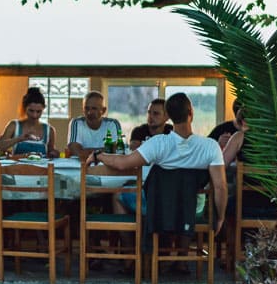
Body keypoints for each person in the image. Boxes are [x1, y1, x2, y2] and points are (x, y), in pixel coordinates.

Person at [97, 92, 227, 235]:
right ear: (191, 112)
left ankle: (133, 247)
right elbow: (220, 187)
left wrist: (98, 155)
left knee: (119, 196)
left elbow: (122, 163)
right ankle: (179, 247)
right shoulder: (211, 146)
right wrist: (220, 218)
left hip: (161, 210)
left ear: (168, 116)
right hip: (195, 209)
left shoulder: (158, 143)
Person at [0, 86, 56, 157]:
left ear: (43, 109)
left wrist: (54, 153)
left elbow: (51, 151)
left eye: (38, 111)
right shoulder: (14, 125)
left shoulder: (49, 130)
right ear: (24, 108)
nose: (34, 115)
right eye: (31, 111)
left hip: (41, 164)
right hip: (18, 164)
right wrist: (19, 139)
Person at [66, 90, 123, 159]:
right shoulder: (76, 123)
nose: (89, 112)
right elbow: (74, 150)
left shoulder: (112, 124)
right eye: (86, 108)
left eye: (94, 109)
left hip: (106, 164)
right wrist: (104, 151)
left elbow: (117, 150)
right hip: (82, 163)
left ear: (103, 110)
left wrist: (87, 152)